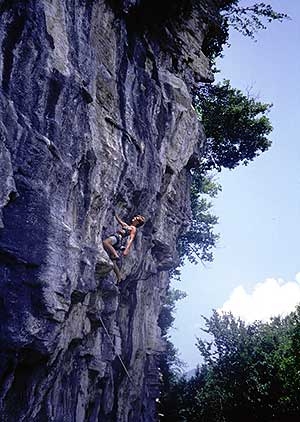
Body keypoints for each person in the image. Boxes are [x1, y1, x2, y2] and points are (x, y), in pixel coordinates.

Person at [103, 214, 145, 282]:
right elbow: (119, 220)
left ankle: (116, 255)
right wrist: (115, 213)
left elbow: (131, 239)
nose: (134, 218)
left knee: (105, 242)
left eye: (136, 218)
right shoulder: (126, 225)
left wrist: (127, 249)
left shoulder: (133, 229)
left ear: (138, 222)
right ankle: (119, 277)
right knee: (113, 262)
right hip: (117, 239)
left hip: (117, 238)